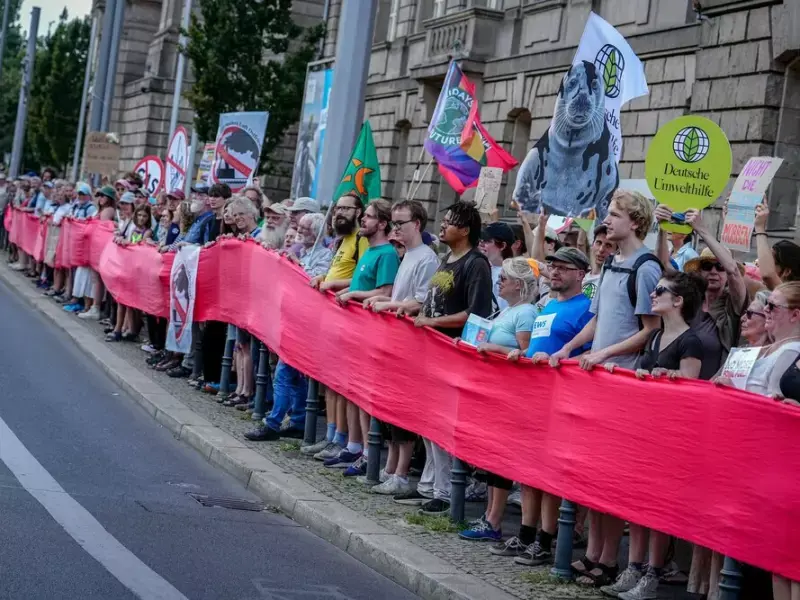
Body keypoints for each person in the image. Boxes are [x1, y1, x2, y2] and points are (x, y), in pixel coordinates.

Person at [550, 189, 662, 588]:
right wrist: (570, 347)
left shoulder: (645, 267)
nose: (607, 220)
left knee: (613, 477)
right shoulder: (613, 262)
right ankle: (594, 553)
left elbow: (649, 329)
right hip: (598, 378)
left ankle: (609, 559)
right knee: (594, 475)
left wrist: (605, 355)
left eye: (615, 214)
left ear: (634, 222)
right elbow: (597, 321)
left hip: (622, 382)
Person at [481, 247, 594, 565]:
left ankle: (545, 540)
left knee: (547, 476)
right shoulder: (544, 308)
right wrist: (523, 353)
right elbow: (535, 347)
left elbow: (587, 355)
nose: (555, 272)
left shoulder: (586, 309)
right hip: (532, 400)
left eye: (564, 268)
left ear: (580, 275)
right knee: (527, 471)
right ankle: (527, 534)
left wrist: (561, 359)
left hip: (561, 402)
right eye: (553, 266)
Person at [600, 271, 705, 600]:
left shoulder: (691, 340)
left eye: (660, 291)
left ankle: (652, 574)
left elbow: (691, 386)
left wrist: (668, 375)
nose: (653, 294)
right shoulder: (656, 336)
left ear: (678, 301)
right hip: (645, 430)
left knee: (658, 507)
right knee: (635, 503)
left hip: (670, 435)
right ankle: (632, 567)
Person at [392, 201, 493, 516]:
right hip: (431, 353)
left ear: (464, 230)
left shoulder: (476, 264)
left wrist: (433, 323)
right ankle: (429, 486)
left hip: (451, 354)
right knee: (428, 422)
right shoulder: (448, 259)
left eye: (450, 222)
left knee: (444, 423)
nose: (443, 225)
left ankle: (446, 491)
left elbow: (477, 313)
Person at [455, 257, 539, 541]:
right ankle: (489, 515)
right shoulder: (508, 310)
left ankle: (494, 519)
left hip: (512, 393)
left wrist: (494, 348)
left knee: (501, 457)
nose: (499, 282)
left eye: (504, 278)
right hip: (495, 392)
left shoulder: (526, 312)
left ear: (519, 284)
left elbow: (526, 352)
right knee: (491, 456)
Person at [360, 200, 440, 495]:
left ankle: (402, 473)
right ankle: (391, 467)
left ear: (416, 224)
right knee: (389, 408)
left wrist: (388, 303)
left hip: (411, 343)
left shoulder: (426, 258)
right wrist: (388, 301)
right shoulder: (408, 255)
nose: (395, 229)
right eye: (393, 223)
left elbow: (420, 301)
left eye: (400, 223)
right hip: (395, 340)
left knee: (403, 409)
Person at [323, 200, 400, 475]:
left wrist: (354, 295)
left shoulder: (387, 254)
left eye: (368, 217)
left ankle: (368, 452)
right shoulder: (368, 251)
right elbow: (357, 282)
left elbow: (386, 292)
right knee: (351, 391)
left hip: (371, 333)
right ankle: (353, 446)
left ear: (381, 224)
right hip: (354, 330)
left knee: (363, 395)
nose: (363, 221)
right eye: (364, 216)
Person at [306, 192, 370, 462]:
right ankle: (331, 436)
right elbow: (339, 272)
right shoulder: (341, 241)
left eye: (346, 208)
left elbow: (363, 277)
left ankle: (343, 438)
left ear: (358, 212)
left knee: (342, 384)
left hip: (350, 319)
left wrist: (335, 285)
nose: (339, 212)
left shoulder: (361, 240)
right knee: (330, 382)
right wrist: (324, 276)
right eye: (337, 208)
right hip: (332, 318)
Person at [657, 205, 748, 378]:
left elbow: (733, 271)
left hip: (712, 391)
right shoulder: (688, 300)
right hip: (676, 384)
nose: (714, 271)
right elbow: (663, 266)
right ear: (699, 272)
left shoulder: (732, 306)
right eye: (707, 266)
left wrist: (700, 228)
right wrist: (663, 227)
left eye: (719, 267)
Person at [753, 202, 800, 290]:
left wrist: (759, 227)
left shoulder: (792, 296)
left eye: (769, 261)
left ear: (787, 272)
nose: (759, 263)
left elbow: (768, 275)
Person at [479, 222, 515, 310]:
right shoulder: (483, 267)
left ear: (502, 245)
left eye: (487, 241)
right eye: (481, 240)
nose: (481, 244)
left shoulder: (512, 274)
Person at [582, 224, 617, 300]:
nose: (601, 249)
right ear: (592, 245)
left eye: (608, 245)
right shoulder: (580, 277)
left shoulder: (615, 283)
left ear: (617, 251)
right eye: (599, 243)